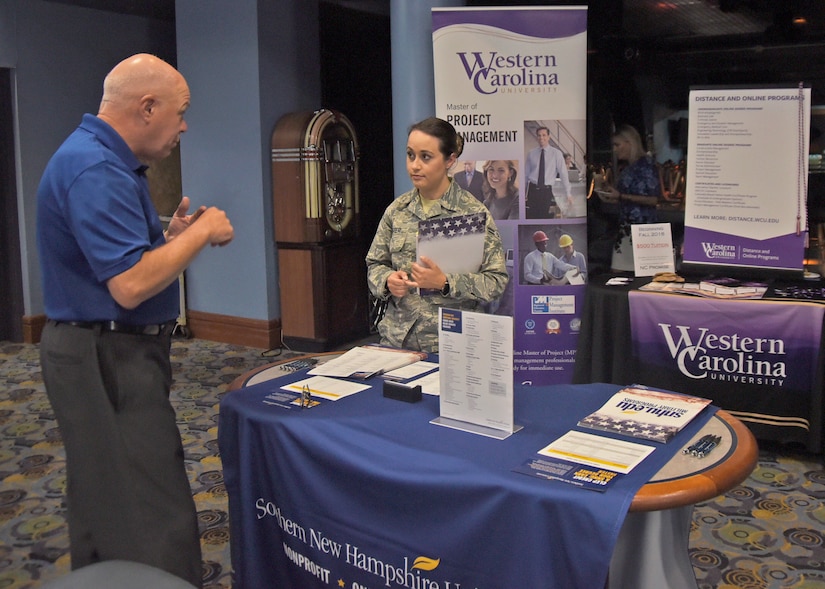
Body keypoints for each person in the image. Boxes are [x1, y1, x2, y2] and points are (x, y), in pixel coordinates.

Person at [36, 54, 234, 588]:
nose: (185, 126)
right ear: (148, 107)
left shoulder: (97, 158)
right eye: (181, 111)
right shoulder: (96, 167)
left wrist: (166, 242)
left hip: (100, 350)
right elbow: (128, 285)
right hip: (107, 357)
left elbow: (117, 264)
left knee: (107, 501)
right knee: (150, 510)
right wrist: (199, 234)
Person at [365, 117, 508, 353]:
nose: (415, 165)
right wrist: (388, 280)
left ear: (450, 160)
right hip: (398, 342)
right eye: (411, 155)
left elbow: (496, 282)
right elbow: (375, 264)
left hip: (453, 346)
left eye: (426, 157)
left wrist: (445, 283)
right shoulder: (397, 211)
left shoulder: (472, 214)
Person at [598, 124, 661, 272]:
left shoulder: (646, 166)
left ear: (629, 143)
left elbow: (653, 199)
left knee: (639, 274)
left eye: (617, 145)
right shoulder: (629, 168)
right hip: (627, 228)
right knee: (620, 272)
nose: (614, 149)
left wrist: (621, 196)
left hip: (643, 230)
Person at [524, 126, 572, 219]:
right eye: (539, 135)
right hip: (532, 190)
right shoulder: (531, 153)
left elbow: (563, 174)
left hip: (546, 191)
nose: (541, 137)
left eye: (544, 135)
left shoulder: (556, 153)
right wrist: (523, 194)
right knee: (531, 216)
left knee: (543, 216)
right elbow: (526, 175)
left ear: (549, 137)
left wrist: (568, 193)